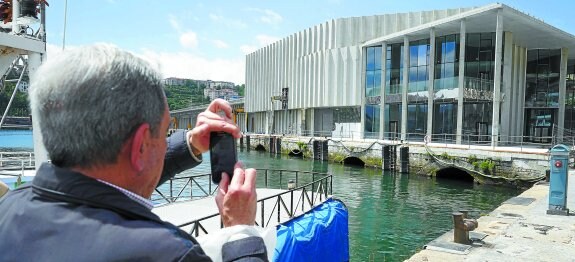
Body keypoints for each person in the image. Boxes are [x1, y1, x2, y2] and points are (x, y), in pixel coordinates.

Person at [0, 44, 267, 261]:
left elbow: (111, 186)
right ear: (140, 145)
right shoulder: (169, 253)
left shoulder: (9, 209)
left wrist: (189, 145)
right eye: (164, 134)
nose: (165, 142)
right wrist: (241, 232)